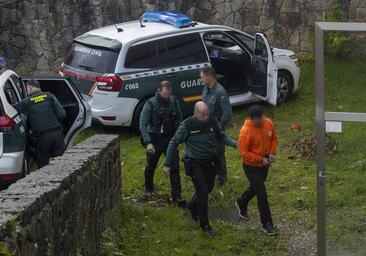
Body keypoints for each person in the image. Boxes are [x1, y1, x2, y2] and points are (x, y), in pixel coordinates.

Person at [163, 101, 237, 236]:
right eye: (203, 115)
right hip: (195, 162)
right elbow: (174, 143)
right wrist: (167, 164)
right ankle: (205, 225)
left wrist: (236, 144)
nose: (206, 117)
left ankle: (192, 205)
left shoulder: (212, 122)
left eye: (207, 114)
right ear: (195, 113)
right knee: (202, 191)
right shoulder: (187, 125)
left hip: (209, 162)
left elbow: (221, 137)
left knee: (208, 187)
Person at [139, 81, 185, 206]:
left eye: (168, 94)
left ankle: (177, 196)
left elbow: (180, 120)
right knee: (151, 165)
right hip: (155, 139)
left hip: (170, 138)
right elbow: (143, 123)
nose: (166, 96)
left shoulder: (174, 102)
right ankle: (149, 188)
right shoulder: (151, 104)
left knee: (174, 166)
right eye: (164, 93)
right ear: (160, 91)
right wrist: (148, 142)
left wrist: (179, 138)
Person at [236, 105, 278, 235]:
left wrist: (271, 152)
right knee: (261, 193)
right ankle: (267, 224)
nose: (260, 121)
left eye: (261, 118)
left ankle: (241, 202)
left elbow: (274, 139)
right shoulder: (245, 131)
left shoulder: (268, 123)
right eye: (257, 120)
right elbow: (243, 153)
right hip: (251, 166)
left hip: (264, 164)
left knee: (256, 188)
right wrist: (260, 159)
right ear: (251, 119)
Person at [15, 79, 67, 168]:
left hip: (41, 138)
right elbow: (62, 114)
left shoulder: (25, 102)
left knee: (43, 165)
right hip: (57, 134)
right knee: (61, 163)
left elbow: (12, 111)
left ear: (29, 88)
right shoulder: (50, 96)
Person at [201, 66, 232, 186]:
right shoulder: (205, 89)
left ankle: (222, 179)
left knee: (219, 153)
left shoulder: (220, 92)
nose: (201, 79)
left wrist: (219, 127)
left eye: (202, 77)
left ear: (209, 76)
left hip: (216, 127)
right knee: (208, 152)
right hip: (206, 127)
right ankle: (211, 175)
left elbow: (227, 113)